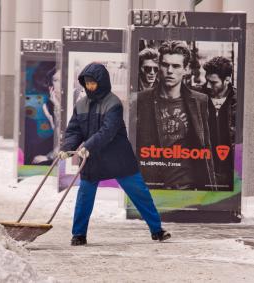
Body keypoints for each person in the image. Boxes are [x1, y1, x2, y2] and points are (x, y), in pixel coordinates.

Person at [58, 62, 170, 246]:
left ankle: (157, 230)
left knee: (139, 193)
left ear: (101, 82)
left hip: (117, 158)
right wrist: (66, 148)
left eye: (93, 82)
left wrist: (89, 145)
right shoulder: (81, 104)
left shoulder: (114, 103)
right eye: (86, 83)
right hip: (92, 159)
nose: (89, 86)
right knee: (84, 196)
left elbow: (108, 131)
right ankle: (78, 235)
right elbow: (74, 130)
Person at [136, 40, 216, 190]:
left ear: (186, 70)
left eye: (176, 66)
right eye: (165, 65)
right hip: (152, 187)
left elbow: (205, 146)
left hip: (188, 188)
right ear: (159, 66)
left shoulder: (200, 100)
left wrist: (212, 191)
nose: (170, 71)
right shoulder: (141, 100)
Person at [202, 56, 236, 187]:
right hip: (205, 171)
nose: (208, 85)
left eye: (213, 82)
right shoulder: (198, 98)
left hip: (230, 173)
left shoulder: (239, 102)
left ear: (227, 80)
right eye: (207, 80)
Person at [31, 67, 61, 165]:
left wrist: (48, 157)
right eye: (56, 80)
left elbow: (69, 137)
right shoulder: (48, 106)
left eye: (63, 79)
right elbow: (59, 136)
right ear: (51, 86)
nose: (60, 84)